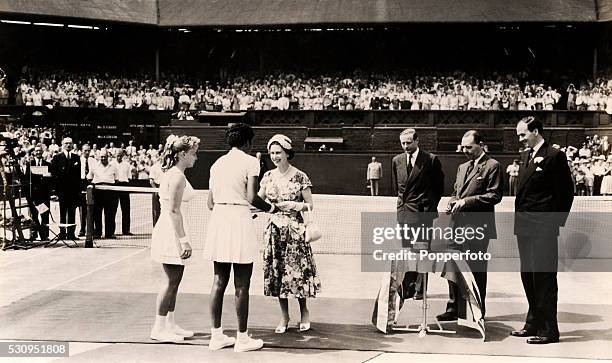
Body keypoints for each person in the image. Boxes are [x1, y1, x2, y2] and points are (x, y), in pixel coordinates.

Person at [203, 123, 274, 352]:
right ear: (247, 142)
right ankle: (242, 339)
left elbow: (210, 202)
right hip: (238, 220)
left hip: (220, 220)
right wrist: (271, 208)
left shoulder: (217, 164)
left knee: (218, 281)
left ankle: (216, 336)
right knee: (242, 284)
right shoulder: (251, 161)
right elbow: (253, 197)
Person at [511, 116, 574, 344]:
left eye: (522, 134)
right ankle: (533, 322)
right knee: (528, 275)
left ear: (535, 131)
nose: (520, 139)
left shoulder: (554, 156)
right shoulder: (526, 155)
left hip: (543, 226)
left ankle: (549, 330)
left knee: (544, 278)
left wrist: (554, 222)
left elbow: (566, 192)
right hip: (525, 226)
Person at [437, 130, 503, 321]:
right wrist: (451, 201)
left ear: (481, 144)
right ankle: (454, 308)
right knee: (452, 266)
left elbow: (494, 196)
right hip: (456, 226)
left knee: (476, 268)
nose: (465, 150)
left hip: (478, 228)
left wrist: (466, 202)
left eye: (469, 147)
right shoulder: (462, 167)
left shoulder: (493, 166)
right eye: (463, 147)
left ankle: (477, 309)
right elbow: (456, 191)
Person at [258, 134, 321, 334]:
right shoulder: (267, 176)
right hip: (274, 231)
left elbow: (309, 204)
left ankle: (304, 312)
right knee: (278, 274)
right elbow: (258, 201)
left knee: (298, 273)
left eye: (279, 153)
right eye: (272, 153)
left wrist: (291, 205)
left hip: (295, 230)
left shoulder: (301, 176)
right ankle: (284, 316)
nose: (275, 156)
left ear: (287, 153)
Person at [386, 128, 444, 314]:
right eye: (402, 143)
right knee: (407, 253)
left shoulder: (431, 160)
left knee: (422, 252)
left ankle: (421, 288)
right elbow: (398, 188)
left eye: (409, 142)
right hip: (404, 214)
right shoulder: (397, 161)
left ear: (417, 141)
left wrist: (427, 208)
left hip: (422, 215)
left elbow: (439, 188)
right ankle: (407, 287)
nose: (405, 146)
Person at [149, 134, 199, 343]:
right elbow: (173, 210)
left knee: (175, 281)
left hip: (173, 228)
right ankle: (158, 328)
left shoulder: (176, 173)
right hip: (171, 231)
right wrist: (183, 239)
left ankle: (170, 323)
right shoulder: (176, 176)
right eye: (193, 154)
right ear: (182, 154)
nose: (195, 158)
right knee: (171, 281)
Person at [50, 137, 81, 240]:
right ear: (62, 144)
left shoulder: (76, 158)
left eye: (70, 143)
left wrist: (78, 192)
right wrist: (54, 191)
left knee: (72, 213)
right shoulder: (57, 158)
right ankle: (62, 233)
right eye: (66, 143)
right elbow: (54, 176)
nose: (68, 145)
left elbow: (78, 177)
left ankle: (71, 234)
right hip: (62, 191)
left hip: (73, 191)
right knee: (62, 213)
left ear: (72, 145)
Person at [87, 150, 119, 239]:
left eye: (105, 156)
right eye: (102, 157)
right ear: (99, 157)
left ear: (108, 157)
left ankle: (110, 233)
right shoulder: (94, 167)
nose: (103, 158)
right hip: (98, 192)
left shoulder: (113, 167)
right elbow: (89, 178)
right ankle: (97, 233)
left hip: (110, 191)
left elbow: (117, 179)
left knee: (110, 214)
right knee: (97, 213)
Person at [26, 146, 52, 241]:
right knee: (34, 215)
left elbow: (50, 178)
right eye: (36, 151)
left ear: (42, 152)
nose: (38, 152)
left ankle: (45, 235)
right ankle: (34, 234)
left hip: (44, 194)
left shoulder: (48, 164)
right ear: (34, 152)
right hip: (33, 195)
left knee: (44, 214)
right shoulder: (30, 164)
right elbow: (27, 178)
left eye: (40, 151)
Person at [113, 150, 133, 235]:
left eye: (121, 156)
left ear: (123, 156)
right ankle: (111, 231)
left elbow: (129, 177)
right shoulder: (111, 164)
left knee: (126, 209)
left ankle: (126, 230)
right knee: (113, 209)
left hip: (124, 185)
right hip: (114, 185)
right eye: (118, 155)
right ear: (115, 155)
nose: (119, 157)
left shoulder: (127, 164)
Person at [78, 144, 95, 237]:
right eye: (85, 151)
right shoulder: (78, 160)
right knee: (82, 208)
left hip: (90, 183)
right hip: (81, 183)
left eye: (89, 150)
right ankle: (82, 229)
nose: (87, 152)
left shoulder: (93, 161)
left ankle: (91, 229)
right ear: (82, 151)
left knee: (91, 207)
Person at [149, 160, 163, 226]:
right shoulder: (153, 167)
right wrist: (156, 190)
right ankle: (156, 228)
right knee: (156, 210)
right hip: (156, 189)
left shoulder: (168, 167)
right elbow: (151, 181)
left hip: (165, 189)